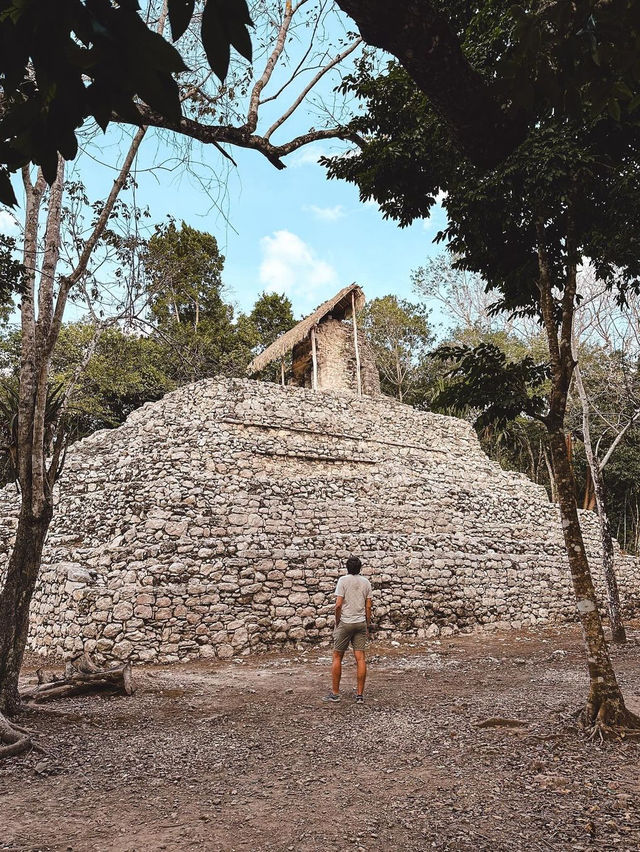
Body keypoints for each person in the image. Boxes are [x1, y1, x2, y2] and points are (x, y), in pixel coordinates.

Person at [323, 555, 372, 704]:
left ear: (347, 567)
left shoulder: (343, 581)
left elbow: (338, 604)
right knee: (360, 658)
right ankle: (359, 695)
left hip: (345, 622)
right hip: (360, 622)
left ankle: (335, 693)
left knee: (337, 656)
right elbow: (368, 606)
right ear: (360, 567)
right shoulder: (366, 582)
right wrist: (367, 624)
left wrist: (338, 621)